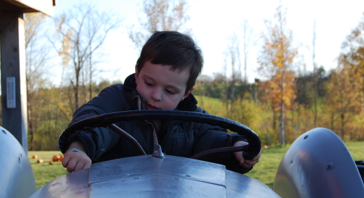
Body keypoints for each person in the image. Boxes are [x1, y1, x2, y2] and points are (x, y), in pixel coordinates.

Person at [59, 31, 262, 173]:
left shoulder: (192, 121)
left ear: (186, 93)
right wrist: (79, 147)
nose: (156, 95)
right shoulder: (116, 101)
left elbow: (214, 140)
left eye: (170, 91)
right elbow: (95, 119)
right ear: (137, 73)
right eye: (149, 83)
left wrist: (237, 148)